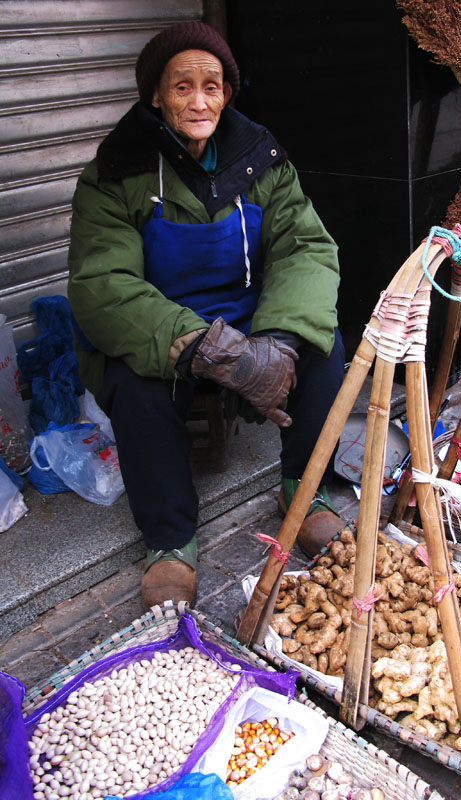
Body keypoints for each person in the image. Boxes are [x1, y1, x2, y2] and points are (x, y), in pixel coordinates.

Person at [67, 20, 346, 609]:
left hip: (246, 322)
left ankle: (303, 488)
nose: (199, 101)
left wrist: (275, 343)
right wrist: (202, 347)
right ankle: (170, 539)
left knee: (324, 346)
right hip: (161, 330)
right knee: (133, 382)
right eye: (182, 87)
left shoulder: (260, 159)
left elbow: (306, 249)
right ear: (156, 96)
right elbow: (103, 285)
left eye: (212, 86)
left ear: (227, 93)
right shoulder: (116, 172)